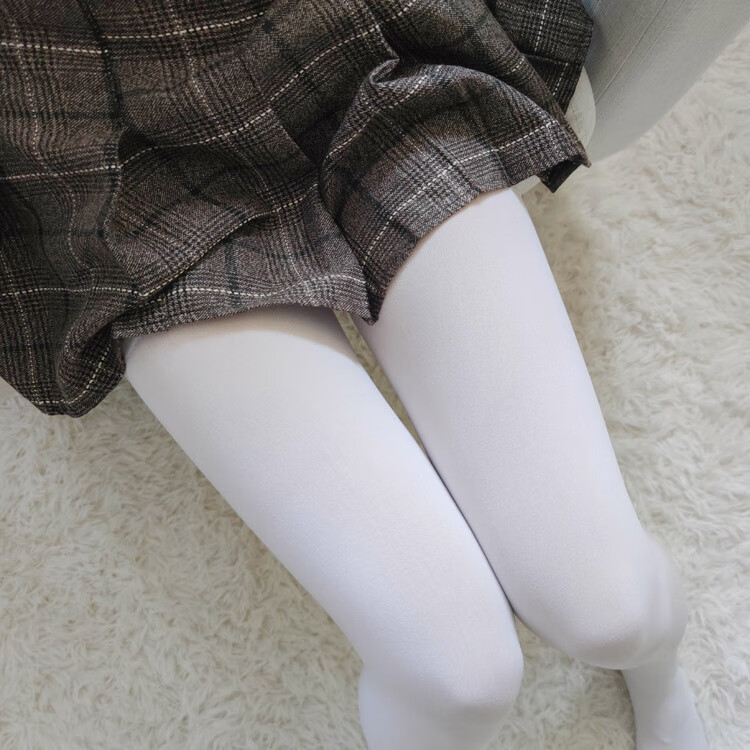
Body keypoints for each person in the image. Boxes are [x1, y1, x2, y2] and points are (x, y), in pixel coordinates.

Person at [3, 1, 747, 748]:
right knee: (458, 679)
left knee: (613, 611)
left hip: (350, 56)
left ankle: (657, 667)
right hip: (104, 158)